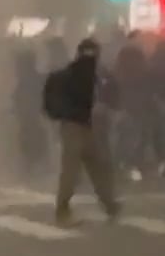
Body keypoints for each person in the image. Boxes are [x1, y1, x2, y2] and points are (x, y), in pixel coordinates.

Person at [43, 37, 120, 225]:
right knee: (78, 168)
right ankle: (65, 208)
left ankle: (106, 202)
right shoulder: (89, 75)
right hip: (77, 125)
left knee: (89, 166)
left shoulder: (75, 74)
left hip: (80, 125)